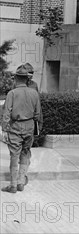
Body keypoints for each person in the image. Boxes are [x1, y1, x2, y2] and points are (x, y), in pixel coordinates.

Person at [1, 64, 42, 193]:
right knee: (25, 153)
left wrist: (4, 130)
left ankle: (13, 185)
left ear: (16, 78)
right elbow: (38, 114)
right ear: (26, 79)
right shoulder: (34, 93)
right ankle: (21, 182)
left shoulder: (12, 93)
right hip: (29, 126)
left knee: (14, 155)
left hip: (15, 126)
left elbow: (6, 114)